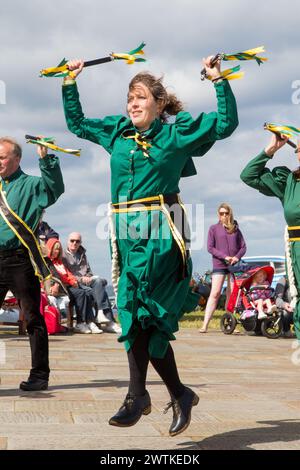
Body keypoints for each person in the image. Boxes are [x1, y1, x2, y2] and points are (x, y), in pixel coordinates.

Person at [61, 55, 238, 436]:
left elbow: (226, 125)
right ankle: (173, 393)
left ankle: (137, 395)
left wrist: (218, 80)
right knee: (135, 316)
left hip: (161, 231)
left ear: (159, 104)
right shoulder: (117, 133)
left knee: (141, 312)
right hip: (125, 236)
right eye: (129, 99)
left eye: (141, 98)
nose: (133, 105)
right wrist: (70, 83)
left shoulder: (175, 133)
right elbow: (76, 124)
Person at [0, 136, 64, 391]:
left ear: (16, 159)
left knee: (34, 319)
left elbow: (54, 189)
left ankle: (39, 376)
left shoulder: (31, 185)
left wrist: (46, 159)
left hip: (20, 260)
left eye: (2, 157)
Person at [240, 133, 300, 340]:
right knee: (297, 297)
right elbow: (249, 175)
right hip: (296, 249)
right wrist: (271, 149)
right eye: (298, 150)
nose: (299, 153)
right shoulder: (290, 181)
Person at [199, 203, 246, 332]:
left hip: (233, 266)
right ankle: (205, 325)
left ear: (230, 214)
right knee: (215, 293)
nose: (224, 215)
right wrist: (225, 257)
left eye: (226, 213)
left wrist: (236, 257)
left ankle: (230, 324)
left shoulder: (236, 229)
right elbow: (210, 248)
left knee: (231, 295)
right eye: (221, 213)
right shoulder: (213, 229)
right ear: (218, 215)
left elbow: (243, 247)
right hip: (219, 264)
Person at [62, 232, 121, 334]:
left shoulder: (82, 254)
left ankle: (102, 315)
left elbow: (89, 271)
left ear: (80, 242)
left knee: (98, 282)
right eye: (72, 240)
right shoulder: (62, 255)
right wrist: (81, 279)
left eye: (77, 241)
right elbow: (65, 274)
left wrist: (88, 277)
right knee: (98, 289)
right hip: (74, 284)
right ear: (68, 241)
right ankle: (100, 320)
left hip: (86, 282)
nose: (74, 243)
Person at [45, 238, 102, 334]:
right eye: (55, 249)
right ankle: (81, 322)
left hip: (67, 286)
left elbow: (68, 273)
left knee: (88, 292)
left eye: (58, 249)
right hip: (62, 288)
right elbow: (58, 277)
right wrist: (70, 281)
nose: (57, 251)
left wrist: (73, 280)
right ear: (50, 249)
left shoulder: (59, 262)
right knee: (81, 293)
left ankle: (89, 321)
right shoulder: (47, 262)